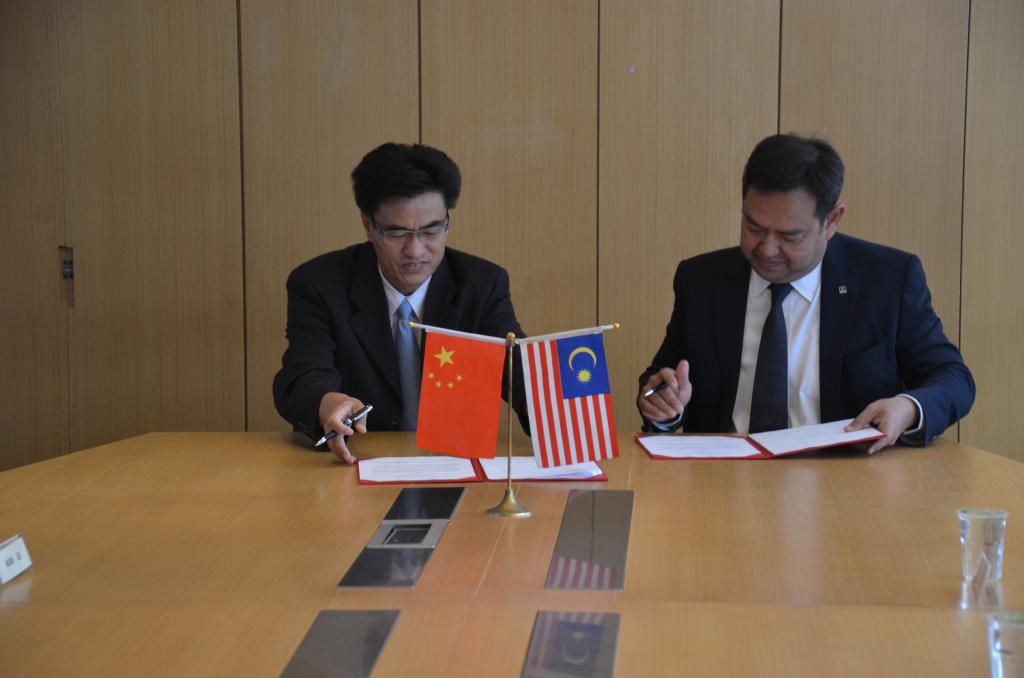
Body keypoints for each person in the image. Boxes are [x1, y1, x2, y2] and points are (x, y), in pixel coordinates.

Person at [638, 133, 974, 453]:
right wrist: (662, 400)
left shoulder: (887, 279)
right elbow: (662, 380)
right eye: (754, 227)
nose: (767, 249)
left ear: (832, 221)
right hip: (722, 476)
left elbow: (954, 379)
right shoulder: (701, 280)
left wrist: (907, 407)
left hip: (848, 477)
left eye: (790, 236)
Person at [273, 142, 528, 463]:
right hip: (358, 462)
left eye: (431, 231)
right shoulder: (320, 284)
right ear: (368, 225)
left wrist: (559, 413)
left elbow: (520, 372)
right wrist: (326, 402)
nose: (415, 251)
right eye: (397, 233)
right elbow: (303, 374)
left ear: (447, 220)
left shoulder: (481, 284)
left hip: (454, 462)